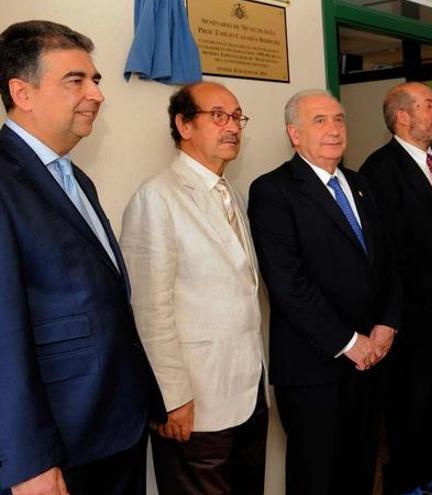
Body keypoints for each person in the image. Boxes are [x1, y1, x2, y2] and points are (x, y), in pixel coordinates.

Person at [0, 20, 164, 495]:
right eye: (76, 80)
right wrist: (26, 460)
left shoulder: (75, 179)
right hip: (56, 446)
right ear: (22, 92)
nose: (96, 94)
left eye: (96, 80)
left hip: (112, 429)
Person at [248, 89, 402, 495]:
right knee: (317, 476)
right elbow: (287, 283)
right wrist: (349, 341)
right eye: (320, 121)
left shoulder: (360, 185)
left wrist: (387, 323)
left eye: (339, 119)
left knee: (359, 468)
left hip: (372, 359)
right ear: (294, 134)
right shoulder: (273, 191)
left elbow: (387, 263)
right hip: (315, 367)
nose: (334, 129)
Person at [120, 82, 268, 494]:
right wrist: (171, 397)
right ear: (184, 125)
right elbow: (148, 310)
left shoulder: (230, 194)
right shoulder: (157, 198)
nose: (232, 126)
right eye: (218, 115)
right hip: (195, 399)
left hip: (246, 389)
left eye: (237, 116)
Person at [359, 81, 432, 495]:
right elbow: (391, 251)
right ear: (403, 116)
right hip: (410, 315)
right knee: (411, 402)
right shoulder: (379, 170)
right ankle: (406, 482)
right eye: (428, 104)